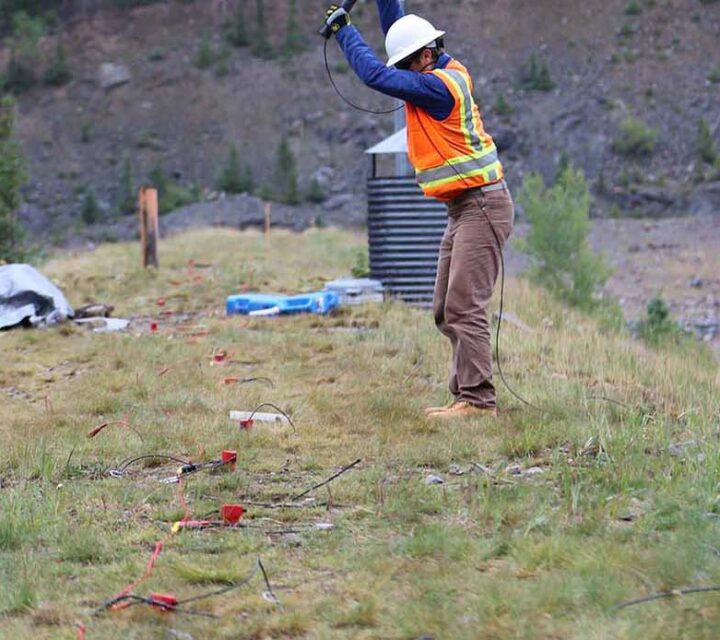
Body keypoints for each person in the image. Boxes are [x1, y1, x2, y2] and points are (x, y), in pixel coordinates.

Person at [324, 1, 514, 420]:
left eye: (407, 66)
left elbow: (376, 74)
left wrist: (343, 30)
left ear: (426, 56)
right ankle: (464, 396)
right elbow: (400, 28)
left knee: (465, 305)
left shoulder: (438, 86)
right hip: (464, 209)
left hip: (482, 206)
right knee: (446, 309)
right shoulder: (427, 65)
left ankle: (479, 403)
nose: (403, 78)